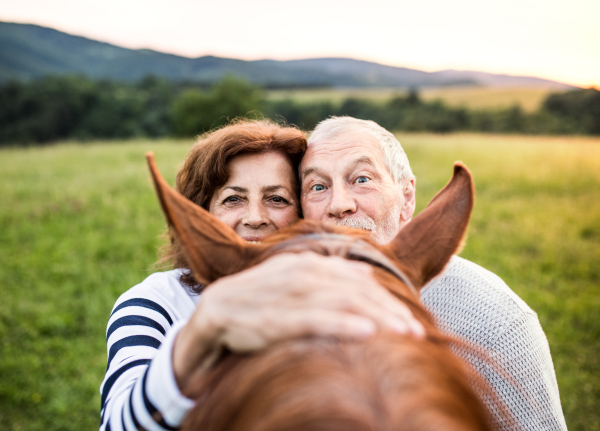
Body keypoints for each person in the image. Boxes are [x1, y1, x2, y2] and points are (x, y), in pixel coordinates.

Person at [99, 119, 423, 431]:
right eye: (233, 199)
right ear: (202, 212)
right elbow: (116, 423)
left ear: (302, 214)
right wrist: (204, 331)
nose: (255, 218)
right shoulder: (156, 301)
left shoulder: (325, 297)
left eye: (277, 199)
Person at [299, 116, 568, 431]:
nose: (339, 205)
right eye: (318, 186)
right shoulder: (291, 302)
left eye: (361, 179)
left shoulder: (493, 323)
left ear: (407, 197)